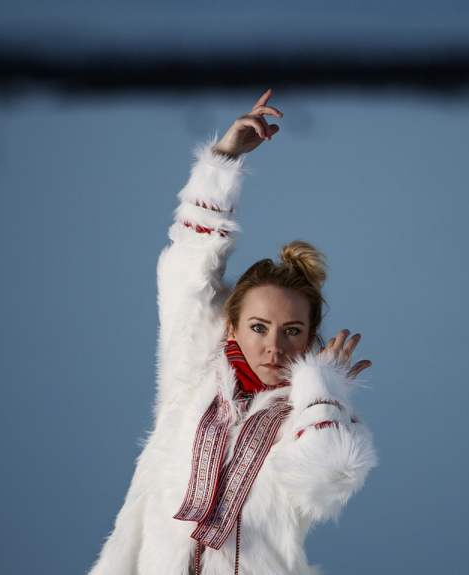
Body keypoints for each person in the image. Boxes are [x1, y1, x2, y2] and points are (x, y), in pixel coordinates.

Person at [87, 88, 378, 575]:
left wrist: (324, 389)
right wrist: (222, 162)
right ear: (232, 327)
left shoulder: (309, 416)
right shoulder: (195, 374)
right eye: (259, 326)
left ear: (309, 339)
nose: (272, 345)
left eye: (292, 331)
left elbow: (331, 478)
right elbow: (187, 269)